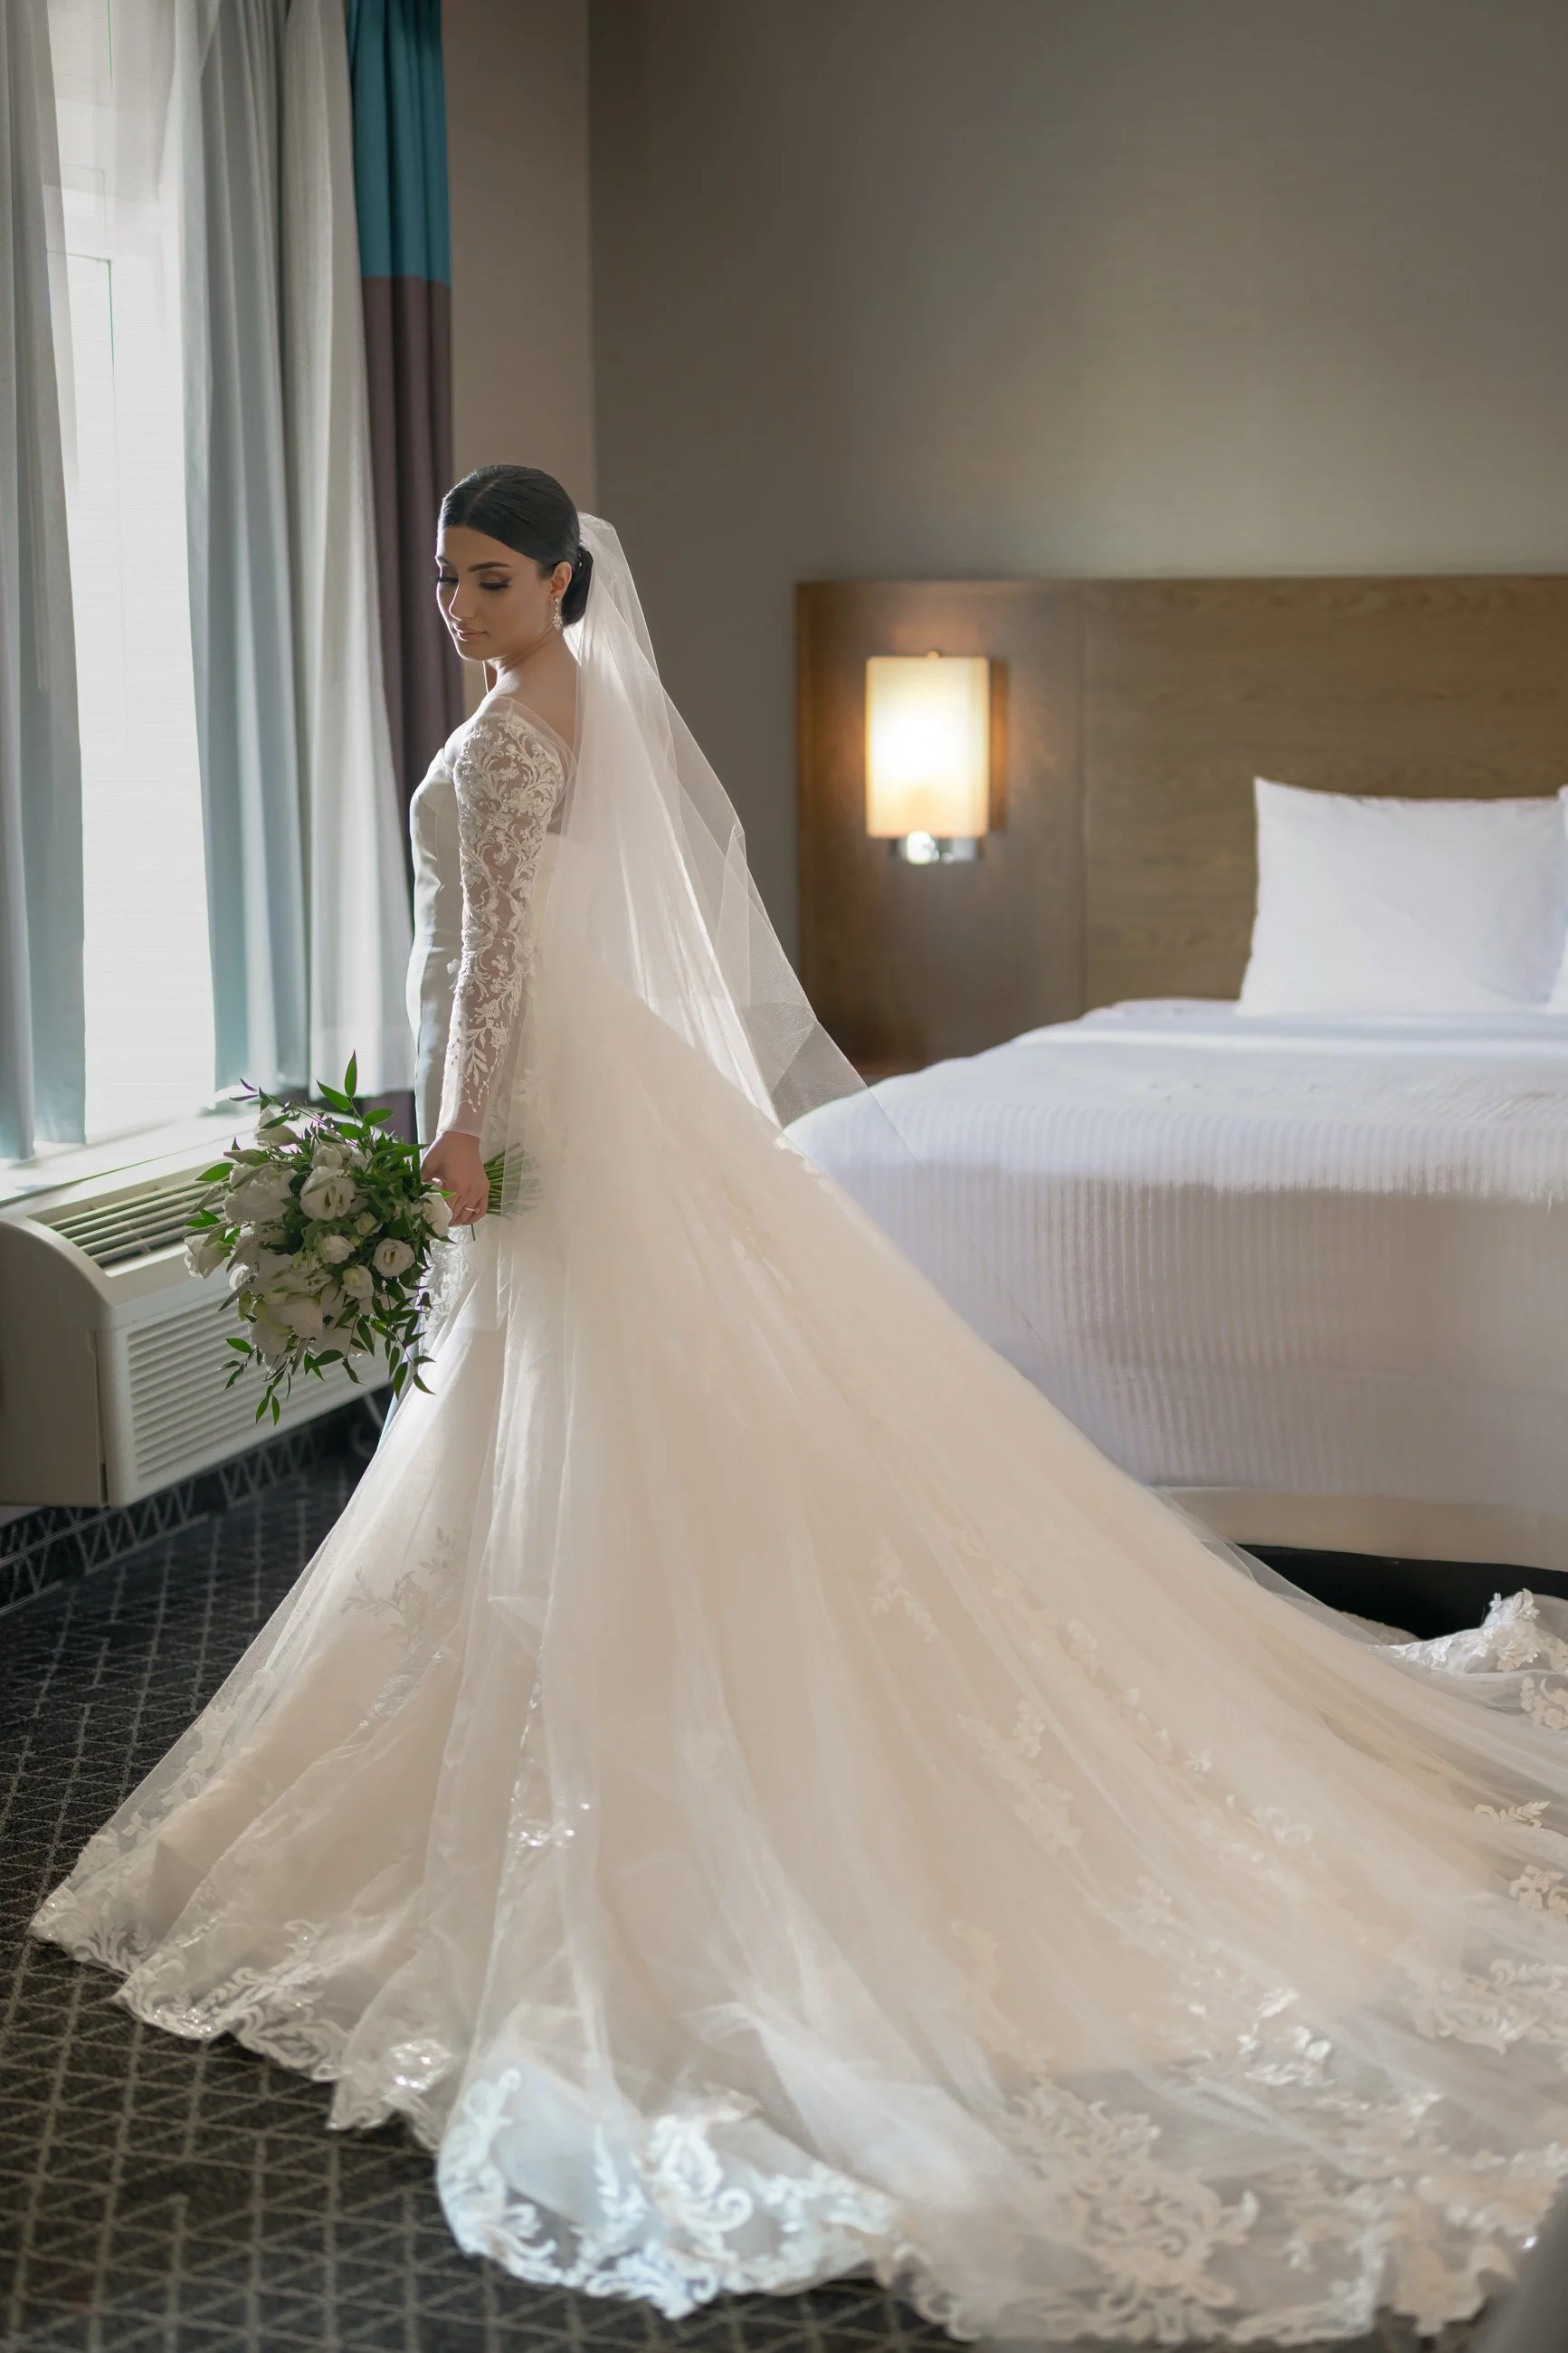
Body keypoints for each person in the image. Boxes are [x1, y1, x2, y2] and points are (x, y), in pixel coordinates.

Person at [32, 467, 1568, 2347]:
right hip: (621, 1099)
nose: (457, 605)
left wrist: (456, 1128)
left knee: (564, 1416)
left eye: (490, 577)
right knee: (595, 1419)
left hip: (544, 1108)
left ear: (563, 580)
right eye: (443, 578)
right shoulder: (582, 700)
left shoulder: (511, 733)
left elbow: (493, 957)